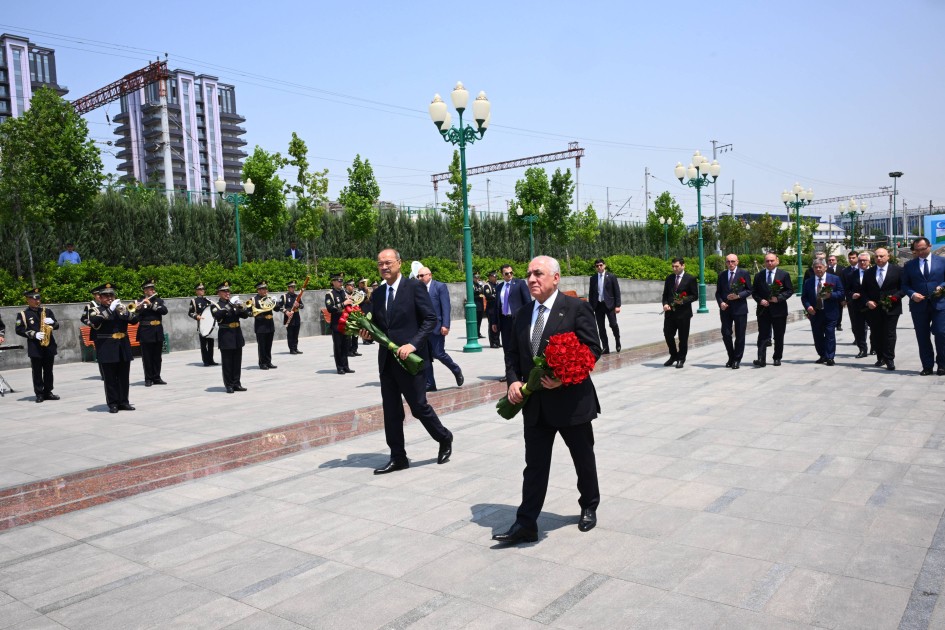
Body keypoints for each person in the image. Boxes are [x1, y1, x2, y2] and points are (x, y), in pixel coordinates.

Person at [493, 256, 602, 545]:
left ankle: (589, 504)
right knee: (535, 465)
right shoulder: (522, 314)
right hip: (536, 406)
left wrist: (564, 377)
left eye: (538, 273)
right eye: (528, 274)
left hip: (572, 402)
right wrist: (513, 380)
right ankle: (526, 523)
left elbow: (593, 349)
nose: (531, 279)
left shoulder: (576, 308)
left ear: (555, 278)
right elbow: (513, 355)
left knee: (582, 457)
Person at [360, 248, 453, 474]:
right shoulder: (379, 294)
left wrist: (413, 344)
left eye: (388, 262)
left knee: (419, 407)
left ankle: (444, 437)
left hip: (410, 360)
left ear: (399, 263)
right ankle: (398, 457)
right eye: (380, 263)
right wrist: (368, 335)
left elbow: (430, 319)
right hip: (387, 362)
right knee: (391, 412)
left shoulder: (414, 287)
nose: (384, 267)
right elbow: (381, 328)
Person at [89, 284, 138, 413]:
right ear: (100, 297)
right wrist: (110, 310)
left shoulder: (119, 309)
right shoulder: (96, 310)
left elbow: (134, 320)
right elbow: (94, 320)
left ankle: (124, 401)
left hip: (122, 346)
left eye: (111, 295)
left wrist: (126, 312)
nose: (109, 298)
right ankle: (113, 403)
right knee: (110, 378)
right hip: (106, 347)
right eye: (106, 296)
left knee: (123, 376)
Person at [902, 237, 945, 375]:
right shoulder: (909, 265)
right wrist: (912, 294)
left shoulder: (942, 262)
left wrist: (942, 287)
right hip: (919, 306)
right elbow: (904, 284)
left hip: (940, 304)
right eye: (917, 250)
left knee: (940, 333)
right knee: (922, 336)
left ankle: (942, 365)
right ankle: (927, 365)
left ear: (929, 246)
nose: (920, 252)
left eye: (923, 249)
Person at [418, 266, 464, 392]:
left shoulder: (439, 287)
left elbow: (446, 307)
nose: (420, 278)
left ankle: (456, 369)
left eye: (422, 276)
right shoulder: (417, 289)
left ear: (430, 275)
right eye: (418, 276)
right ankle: (430, 383)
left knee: (438, 353)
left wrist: (446, 325)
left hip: (437, 327)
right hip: (422, 329)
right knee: (426, 357)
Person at [14, 287, 60, 403]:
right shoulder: (23, 314)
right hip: (35, 347)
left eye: (38, 298)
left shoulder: (47, 311)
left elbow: (57, 325)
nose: (37, 301)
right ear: (28, 300)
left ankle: (48, 392)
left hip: (49, 345)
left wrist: (53, 323)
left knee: (49, 371)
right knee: (37, 371)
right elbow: (19, 329)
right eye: (34, 299)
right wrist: (34, 334)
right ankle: (39, 393)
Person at [862, 247, 903, 371]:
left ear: (888, 256)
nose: (879, 258)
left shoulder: (898, 271)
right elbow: (863, 290)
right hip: (874, 308)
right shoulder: (869, 272)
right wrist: (867, 301)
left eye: (881, 256)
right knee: (876, 333)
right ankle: (880, 357)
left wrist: (895, 297)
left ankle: (889, 359)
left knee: (889, 334)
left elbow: (903, 288)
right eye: (876, 256)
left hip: (892, 307)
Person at [751, 253, 794, 367]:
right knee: (763, 335)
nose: (769, 263)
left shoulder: (784, 275)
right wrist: (760, 300)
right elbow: (754, 292)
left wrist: (778, 298)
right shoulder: (758, 276)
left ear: (777, 261)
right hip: (763, 310)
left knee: (779, 335)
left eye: (772, 260)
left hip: (779, 310)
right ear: (764, 262)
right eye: (767, 261)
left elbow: (789, 290)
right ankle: (761, 358)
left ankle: (777, 357)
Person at [801, 258, 845, 365]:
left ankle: (830, 357)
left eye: (820, 267)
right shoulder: (808, 282)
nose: (818, 269)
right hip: (815, 313)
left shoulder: (834, 279)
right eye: (816, 267)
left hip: (830, 312)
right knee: (817, 336)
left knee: (830, 334)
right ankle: (822, 355)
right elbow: (804, 297)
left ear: (825, 268)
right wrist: (808, 307)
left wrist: (831, 295)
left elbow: (841, 293)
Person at [715, 254, 753, 369]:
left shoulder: (744, 273)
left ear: (737, 262)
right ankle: (731, 357)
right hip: (725, 309)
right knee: (726, 334)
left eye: (732, 261)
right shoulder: (722, 275)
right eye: (728, 262)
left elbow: (749, 290)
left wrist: (738, 296)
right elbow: (718, 292)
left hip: (740, 309)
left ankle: (737, 359)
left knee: (740, 335)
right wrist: (721, 302)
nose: (730, 264)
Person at [212, 281, 250, 393]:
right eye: (224, 291)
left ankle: (236, 383)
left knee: (237, 362)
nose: (227, 293)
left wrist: (242, 308)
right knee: (227, 362)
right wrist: (229, 305)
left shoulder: (234, 304)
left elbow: (245, 316)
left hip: (237, 335)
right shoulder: (216, 306)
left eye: (228, 291)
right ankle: (228, 384)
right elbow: (218, 316)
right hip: (226, 336)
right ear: (219, 293)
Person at [493, 264, 531, 372]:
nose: (509, 275)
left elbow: (527, 302)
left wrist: (528, 318)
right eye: (506, 273)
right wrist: (494, 322)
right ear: (502, 274)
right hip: (504, 321)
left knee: (520, 346)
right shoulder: (499, 287)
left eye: (511, 273)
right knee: (507, 348)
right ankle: (509, 372)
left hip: (518, 320)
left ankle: (523, 371)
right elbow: (497, 306)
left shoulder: (520, 284)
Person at [661, 257, 698, 368]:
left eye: (676, 266)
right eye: (673, 266)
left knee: (683, 338)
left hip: (684, 314)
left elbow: (695, 295)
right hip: (670, 313)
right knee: (668, 334)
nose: (674, 268)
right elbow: (665, 295)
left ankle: (681, 358)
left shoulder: (690, 278)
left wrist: (683, 300)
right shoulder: (669, 278)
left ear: (683, 266)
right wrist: (665, 304)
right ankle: (673, 355)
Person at [135, 279, 168, 386]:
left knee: (157, 357)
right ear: (145, 291)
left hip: (157, 331)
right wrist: (137, 309)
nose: (152, 290)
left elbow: (164, 311)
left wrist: (151, 305)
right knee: (147, 357)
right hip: (145, 331)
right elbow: (136, 317)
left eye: (153, 289)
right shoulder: (139, 301)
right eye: (150, 289)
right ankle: (148, 378)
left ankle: (157, 377)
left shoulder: (159, 301)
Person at [587, 258, 622, 353]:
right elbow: (591, 293)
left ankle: (617, 341)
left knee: (613, 324)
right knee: (601, 327)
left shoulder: (611, 277)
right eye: (597, 266)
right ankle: (605, 347)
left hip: (610, 305)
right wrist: (590, 307)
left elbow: (617, 292)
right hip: (598, 306)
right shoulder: (593, 278)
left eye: (601, 265)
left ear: (604, 265)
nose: (599, 267)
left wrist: (618, 305)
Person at [842, 252, 870, 358]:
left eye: (864, 260)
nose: (862, 262)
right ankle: (862, 349)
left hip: (872, 305)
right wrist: (852, 294)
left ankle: (875, 347)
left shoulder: (874, 272)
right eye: (860, 260)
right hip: (857, 305)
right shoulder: (852, 275)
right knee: (859, 328)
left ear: (869, 261)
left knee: (875, 328)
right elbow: (846, 289)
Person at [325, 274, 354, 375]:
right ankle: (340, 367)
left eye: (342, 281)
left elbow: (349, 305)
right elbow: (330, 308)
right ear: (333, 282)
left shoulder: (343, 292)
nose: (341, 283)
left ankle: (346, 366)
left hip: (346, 323)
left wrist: (351, 301)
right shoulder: (330, 294)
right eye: (339, 281)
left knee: (346, 346)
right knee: (338, 346)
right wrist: (343, 304)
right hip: (337, 324)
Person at [251, 281, 282, 370]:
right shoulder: (254, 299)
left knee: (269, 345)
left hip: (269, 324)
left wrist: (276, 303)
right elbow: (249, 311)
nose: (265, 291)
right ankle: (262, 363)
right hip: (260, 325)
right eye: (263, 289)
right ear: (258, 290)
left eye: (265, 289)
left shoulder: (269, 298)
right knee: (262, 345)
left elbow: (276, 309)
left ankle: (268, 362)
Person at [188, 283, 218, 366]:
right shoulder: (194, 301)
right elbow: (190, 313)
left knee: (211, 343)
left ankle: (211, 360)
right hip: (202, 325)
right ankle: (206, 361)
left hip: (210, 324)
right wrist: (196, 316)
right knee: (204, 344)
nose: (202, 291)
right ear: (196, 291)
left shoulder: (208, 300)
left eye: (203, 289)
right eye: (200, 289)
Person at [81, 287, 106, 380]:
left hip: (107, 330)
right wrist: (90, 323)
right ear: (94, 296)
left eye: (100, 295)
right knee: (100, 353)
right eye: (98, 295)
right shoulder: (90, 306)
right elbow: (83, 318)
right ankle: (103, 374)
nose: (99, 297)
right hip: (96, 332)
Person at [282, 280, 304, 355]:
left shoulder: (297, 296)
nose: (293, 288)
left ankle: (295, 348)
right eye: (291, 287)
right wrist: (286, 311)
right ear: (288, 288)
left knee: (296, 333)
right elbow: (278, 306)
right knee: (290, 334)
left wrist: (298, 305)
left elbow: (302, 306)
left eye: (294, 287)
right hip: (289, 317)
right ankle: (291, 349)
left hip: (296, 316)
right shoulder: (284, 296)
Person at [344, 280, 362, 357]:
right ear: (347, 286)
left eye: (354, 285)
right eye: (351, 285)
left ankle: (354, 349)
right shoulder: (344, 293)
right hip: (347, 315)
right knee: (348, 335)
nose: (353, 287)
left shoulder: (355, 293)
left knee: (355, 334)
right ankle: (348, 351)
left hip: (355, 314)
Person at [827, 254, 844, 331]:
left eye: (833, 260)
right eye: (829, 260)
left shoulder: (842, 269)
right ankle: (830, 323)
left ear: (836, 260)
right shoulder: (825, 269)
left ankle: (838, 324)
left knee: (839, 309)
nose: (831, 261)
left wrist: (843, 297)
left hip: (838, 293)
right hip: (827, 293)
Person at [485, 271, 500, 348]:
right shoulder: (487, 286)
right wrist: (496, 297)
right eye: (494, 276)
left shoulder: (498, 285)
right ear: (490, 277)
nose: (495, 278)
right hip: (491, 308)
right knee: (492, 326)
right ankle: (493, 342)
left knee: (498, 326)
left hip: (497, 308)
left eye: (496, 277)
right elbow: (488, 295)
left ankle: (497, 341)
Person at [358, 279, 374, 345]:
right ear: (359, 284)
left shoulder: (367, 290)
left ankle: (370, 338)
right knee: (364, 325)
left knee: (370, 324)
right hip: (363, 309)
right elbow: (358, 301)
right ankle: (364, 339)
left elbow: (371, 299)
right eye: (362, 283)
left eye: (364, 283)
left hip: (369, 309)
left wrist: (368, 294)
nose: (364, 284)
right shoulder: (358, 292)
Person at [472, 271, 486, 339]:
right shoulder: (472, 284)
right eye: (476, 277)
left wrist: (482, 286)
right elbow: (473, 293)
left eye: (478, 277)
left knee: (479, 320)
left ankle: (478, 333)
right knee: (476, 320)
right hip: (475, 304)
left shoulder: (479, 284)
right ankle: (475, 333)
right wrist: (479, 295)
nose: (477, 279)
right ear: (473, 278)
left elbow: (482, 291)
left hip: (480, 304)